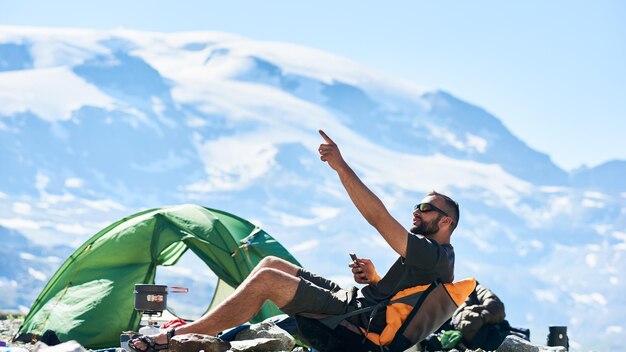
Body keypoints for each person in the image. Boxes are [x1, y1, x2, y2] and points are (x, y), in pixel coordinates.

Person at [129, 130, 460, 351]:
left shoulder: (434, 254)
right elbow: (404, 297)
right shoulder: (434, 258)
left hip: (357, 327)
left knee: (269, 280)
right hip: (359, 304)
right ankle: (204, 328)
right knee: (271, 264)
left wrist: (340, 166)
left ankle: (175, 337)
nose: (417, 212)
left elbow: (378, 218)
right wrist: (373, 279)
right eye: (417, 205)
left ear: (446, 221)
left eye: (426, 209)